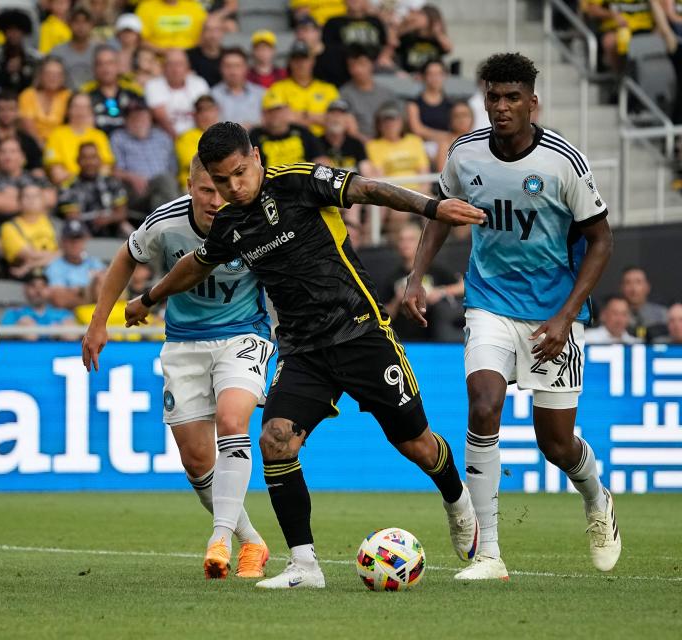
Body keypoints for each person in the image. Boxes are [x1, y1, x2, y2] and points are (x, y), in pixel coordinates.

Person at [125, 121, 486, 589]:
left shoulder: (298, 181)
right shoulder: (231, 223)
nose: (232, 187)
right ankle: (304, 565)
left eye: (239, 173)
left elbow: (371, 189)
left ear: (255, 156)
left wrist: (433, 206)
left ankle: (457, 501)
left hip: (360, 333)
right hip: (302, 349)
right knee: (275, 440)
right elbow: (196, 264)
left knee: (414, 443)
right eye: (220, 180)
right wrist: (150, 299)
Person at [403, 53, 621, 582]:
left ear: (532, 102)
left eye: (512, 98)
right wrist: (415, 277)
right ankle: (489, 555)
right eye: (493, 97)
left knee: (556, 443)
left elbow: (600, 239)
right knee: (483, 406)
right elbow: (440, 213)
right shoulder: (465, 153)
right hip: (490, 303)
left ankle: (596, 498)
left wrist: (567, 316)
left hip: (553, 314)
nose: (501, 107)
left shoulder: (563, 162)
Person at [83, 155, 272, 580]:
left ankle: (219, 539)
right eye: (205, 190)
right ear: (190, 186)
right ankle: (252, 542)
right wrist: (99, 322)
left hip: (245, 334)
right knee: (196, 460)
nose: (214, 199)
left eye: (220, 189)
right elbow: (124, 259)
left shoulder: (254, 221)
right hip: (184, 343)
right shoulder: (165, 224)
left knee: (231, 418)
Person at [110, 99, 179, 217]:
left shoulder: (162, 137)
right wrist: (131, 176)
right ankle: (181, 220)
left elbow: (173, 168)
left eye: (143, 117)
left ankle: (165, 230)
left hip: (164, 190)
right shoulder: (119, 138)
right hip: (137, 191)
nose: (139, 122)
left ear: (150, 119)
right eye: (134, 118)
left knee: (158, 198)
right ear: (126, 121)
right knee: (165, 180)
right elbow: (114, 171)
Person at [57, 142, 131, 237]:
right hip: (83, 232)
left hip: (112, 228)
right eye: (85, 158)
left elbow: (122, 213)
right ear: (78, 160)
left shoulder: (112, 182)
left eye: (93, 157)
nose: (89, 162)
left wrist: (108, 219)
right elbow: (72, 217)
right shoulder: (68, 187)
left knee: (126, 227)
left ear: (100, 160)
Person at [267, 41, 339, 137]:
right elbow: (276, 119)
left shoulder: (329, 89)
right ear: (290, 62)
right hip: (292, 140)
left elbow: (337, 121)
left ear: (312, 61)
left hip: (324, 140)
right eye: (296, 59)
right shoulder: (278, 88)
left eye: (304, 58)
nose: (300, 63)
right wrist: (318, 118)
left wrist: (298, 116)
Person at [44, 91, 115, 185]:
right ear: (68, 110)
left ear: (90, 110)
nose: (80, 111)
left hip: (97, 187)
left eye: (85, 107)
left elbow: (106, 169)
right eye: (76, 106)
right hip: (68, 190)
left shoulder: (99, 136)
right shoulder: (56, 135)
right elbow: (57, 175)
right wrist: (83, 178)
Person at [249, 90, 325, 168]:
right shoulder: (254, 136)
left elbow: (321, 159)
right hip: (272, 179)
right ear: (263, 114)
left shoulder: (302, 131)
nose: (275, 114)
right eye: (270, 111)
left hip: (302, 177)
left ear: (287, 110)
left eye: (278, 109)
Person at [144, 48, 210, 139]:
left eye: (180, 64)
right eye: (170, 64)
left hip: (197, 136)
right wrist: (180, 140)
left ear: (187, 67)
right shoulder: (153, 85)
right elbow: (161, 117)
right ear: (163, 67)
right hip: (165, 136)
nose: (175, 69)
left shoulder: (199, 83)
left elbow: (207, 112)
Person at [0, 182, 59, 279]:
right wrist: (57, 254)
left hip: (54, 274)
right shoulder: (9, 227)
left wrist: (30, 265)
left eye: (36, 196)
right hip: (27, 279)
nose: (31, 200)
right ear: (19, 202)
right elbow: (29, 255)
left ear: (43, 201)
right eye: (27, 196)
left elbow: (67, 251)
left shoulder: (52, 223)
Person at [83, 45, 144, 137]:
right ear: (94, 68)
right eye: (100, 64)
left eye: (109, 63)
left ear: (117, 66)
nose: (105, 68)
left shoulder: (133, 92)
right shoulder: (85, 94)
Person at [339, 46, 396, 142]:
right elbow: (351, 131)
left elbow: (397, 122)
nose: (357, 70)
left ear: (372, 64)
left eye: (362, 64)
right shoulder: (344, 94)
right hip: (361, 145)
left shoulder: (386, 93)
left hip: (389, 142)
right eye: (352, 65)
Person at [46, 220, 105, 309]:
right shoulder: (54, 266)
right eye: (70, 239)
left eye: (78, 239)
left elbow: (110, 289)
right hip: (69, 317)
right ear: (62, 241)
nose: (75, 244)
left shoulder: (94, 262)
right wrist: (91, 292)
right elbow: (59, 299)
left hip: (96, 315)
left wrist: (79, 291)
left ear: (85, 240)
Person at [0, 90, 44, 175]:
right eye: (1, 109)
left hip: (25, 185)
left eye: (11, 109)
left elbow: (37, 171)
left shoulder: (29, 141)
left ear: (18, 111)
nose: (6, 113)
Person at [0, 8, 41, 92]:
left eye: (18, 30)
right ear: (3, 32)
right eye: (10, 30)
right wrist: (5, 71)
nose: (14, 34)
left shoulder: (35, 58)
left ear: (24, 32)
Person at [0, 269, 74, 332]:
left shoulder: (63, 314)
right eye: (33, 286)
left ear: (49, 289)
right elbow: (1, 339)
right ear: (25, 289)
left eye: (43, 286)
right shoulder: (13, 314)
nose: (38, 290)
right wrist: (18, 329)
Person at [210, 47, 265, 130]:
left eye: (237, 66)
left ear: (246, 68)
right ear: (220, 68)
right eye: (228, 66)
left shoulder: (261, 93)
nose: (233, 71)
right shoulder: (212, 95)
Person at [51, 6, 99, 90]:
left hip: (95, 97)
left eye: (85, 22)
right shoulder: (57, 52)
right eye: (76, 22)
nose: (81, 26)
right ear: (69, 24)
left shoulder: (99, 51)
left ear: (92, 25)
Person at [175, 95, 219, 188]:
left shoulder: (225, 134)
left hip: (221, 184)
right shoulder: (185, 137)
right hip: (194, 187)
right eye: (201, 111)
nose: (206, 115)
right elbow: (196, 165)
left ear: (216, 112)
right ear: (194, 115)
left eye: (209, 110)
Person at [619, 266, 669, 341]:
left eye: (638, 282)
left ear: (647, 287)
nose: (633, 289)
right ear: (621, 288)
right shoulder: (614, 315)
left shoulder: (663, 314)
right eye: (628, 283)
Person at [135, 0, 207, 51]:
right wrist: (164, 51)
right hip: (156, 57)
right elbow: (140, 40)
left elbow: (206, 33)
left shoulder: (193, 6)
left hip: (190, 56)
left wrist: (187, 51)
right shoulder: (146, 7)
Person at [186, 16, 224, 87]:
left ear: (222, 32)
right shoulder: (188, 57)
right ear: (202, 32)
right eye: (208, 30)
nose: (213, 35)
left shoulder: (228, 57)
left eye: (217, 30)